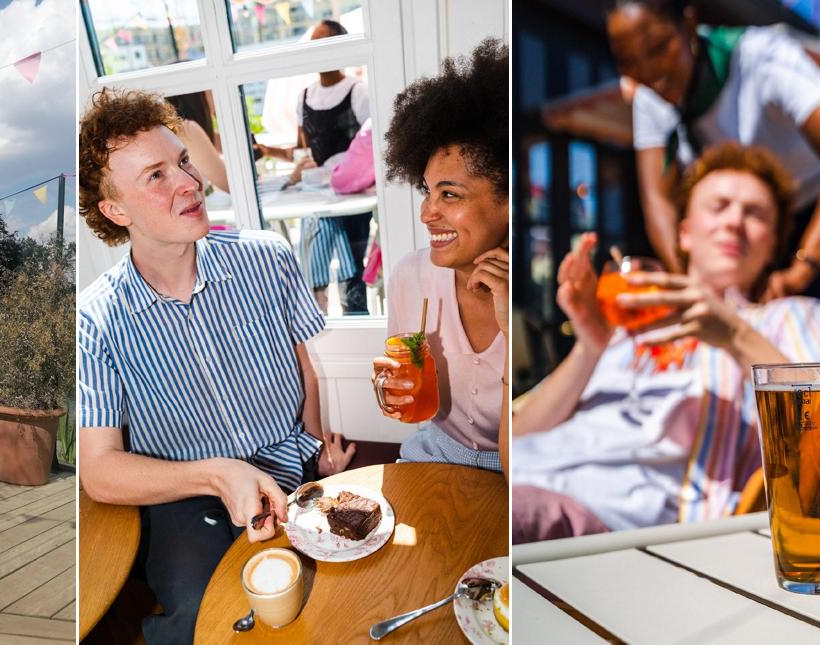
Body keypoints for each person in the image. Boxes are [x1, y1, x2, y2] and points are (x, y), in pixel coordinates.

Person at [76, 87, 353, 643]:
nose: (189, 182)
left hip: (288, 466)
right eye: (156, 176)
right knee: (202, 619)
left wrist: (318, 451)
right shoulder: (94, 320)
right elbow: (99, 470)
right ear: (115, 210)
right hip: (184, 497)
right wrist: (215, 473)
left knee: (335, 599)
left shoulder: (268, 258)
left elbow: (306, 368)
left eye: (182, 162)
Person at [512, 143, 820, 543]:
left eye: (755, 213)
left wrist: (735, 336)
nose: (734, 222)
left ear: (773, 244)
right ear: (685, 233)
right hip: (516, 475)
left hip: (593, 516)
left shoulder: (796, 318)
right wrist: (590, 347)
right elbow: (518, 436)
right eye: (719, 206)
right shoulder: (628, 324)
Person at [607, 0, 820, 352]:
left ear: (689, 25)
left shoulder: (760, 56)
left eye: (659, 48)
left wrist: (802, 268)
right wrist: (690, 281)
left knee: (817, 343)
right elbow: (657, 201)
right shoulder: (650, 94)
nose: (649, 71)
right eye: (628, 62)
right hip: (753, 226)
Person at [372, 38, 509, 472]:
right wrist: (388, 387)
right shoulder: (410, 277)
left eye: (450, 194)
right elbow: (410, 400)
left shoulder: (549, 298)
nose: (427, 213)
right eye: (428, 191)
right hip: (433, 454)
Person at [291, 19, 373, 315]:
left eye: (325, 44)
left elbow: (372, 143)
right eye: (314, 45)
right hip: (319, 192)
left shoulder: (358, 91)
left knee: (352, 261)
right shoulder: (304, 96)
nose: (318, 51)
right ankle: (317, 312)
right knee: (318, 248)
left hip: (353, 194)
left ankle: (353, 313)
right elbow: (302, 147)